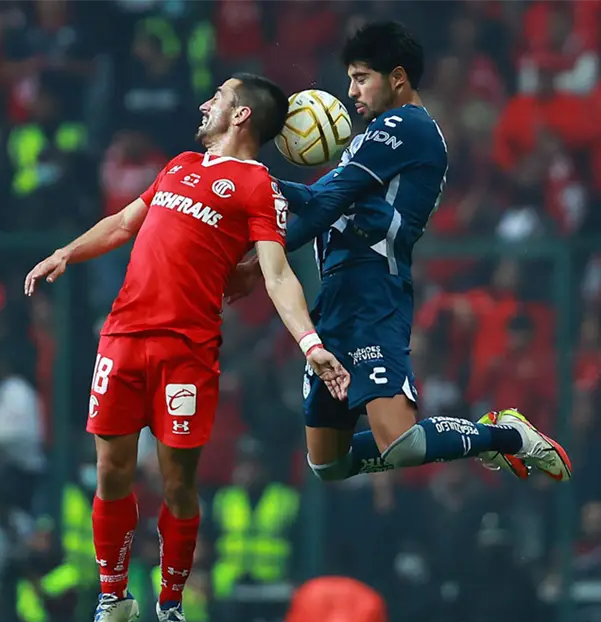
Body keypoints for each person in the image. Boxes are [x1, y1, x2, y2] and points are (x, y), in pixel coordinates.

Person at [23, 73, 351, 622]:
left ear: (242, 114)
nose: (206, 104)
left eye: (218, 97)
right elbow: (125, 224)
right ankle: (113, 596)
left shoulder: (257, 188)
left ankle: (171, 604)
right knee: (111, 472)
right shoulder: (177, 165)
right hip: (122, 335)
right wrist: (66, 251)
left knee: (177, 482)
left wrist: (309, 343)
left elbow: (276, 274)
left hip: (187, 349)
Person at [228, 21, 572, 485]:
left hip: (373, 291)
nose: (351, 90)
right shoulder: (370, 138)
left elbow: (325, 202)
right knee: (327, 463)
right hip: (337, 296)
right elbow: (319, 200)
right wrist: (248, 188)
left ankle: (504, 435)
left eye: (361, 77)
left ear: (398, 78)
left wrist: (261, 248)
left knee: (402, 443)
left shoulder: (408, 127)